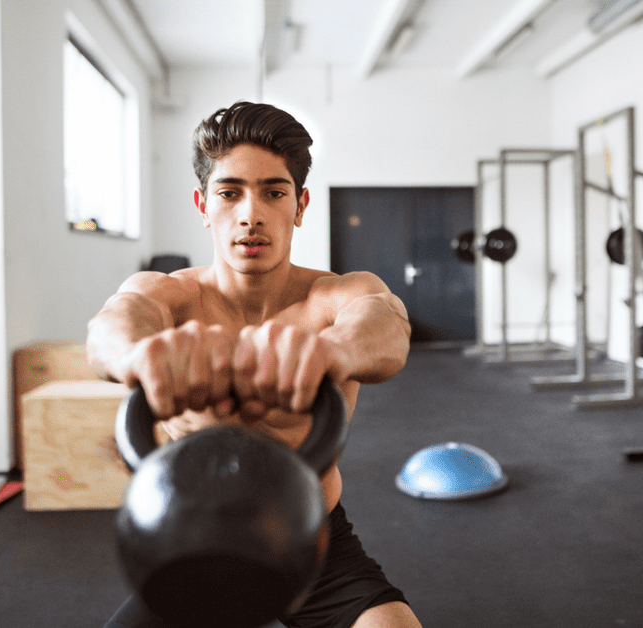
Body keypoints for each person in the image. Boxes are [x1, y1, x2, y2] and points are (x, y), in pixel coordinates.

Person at [87, 101, 422, 628]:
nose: (251, 213)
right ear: (203, 204)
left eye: (273, 192)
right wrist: (139, 355)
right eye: (229, 192)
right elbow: (114, 323)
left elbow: (386, 328)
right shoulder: (169, 296)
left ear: (300, 204)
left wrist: (332, 351)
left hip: (311, 534)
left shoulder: (336, 296)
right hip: (186, 539)